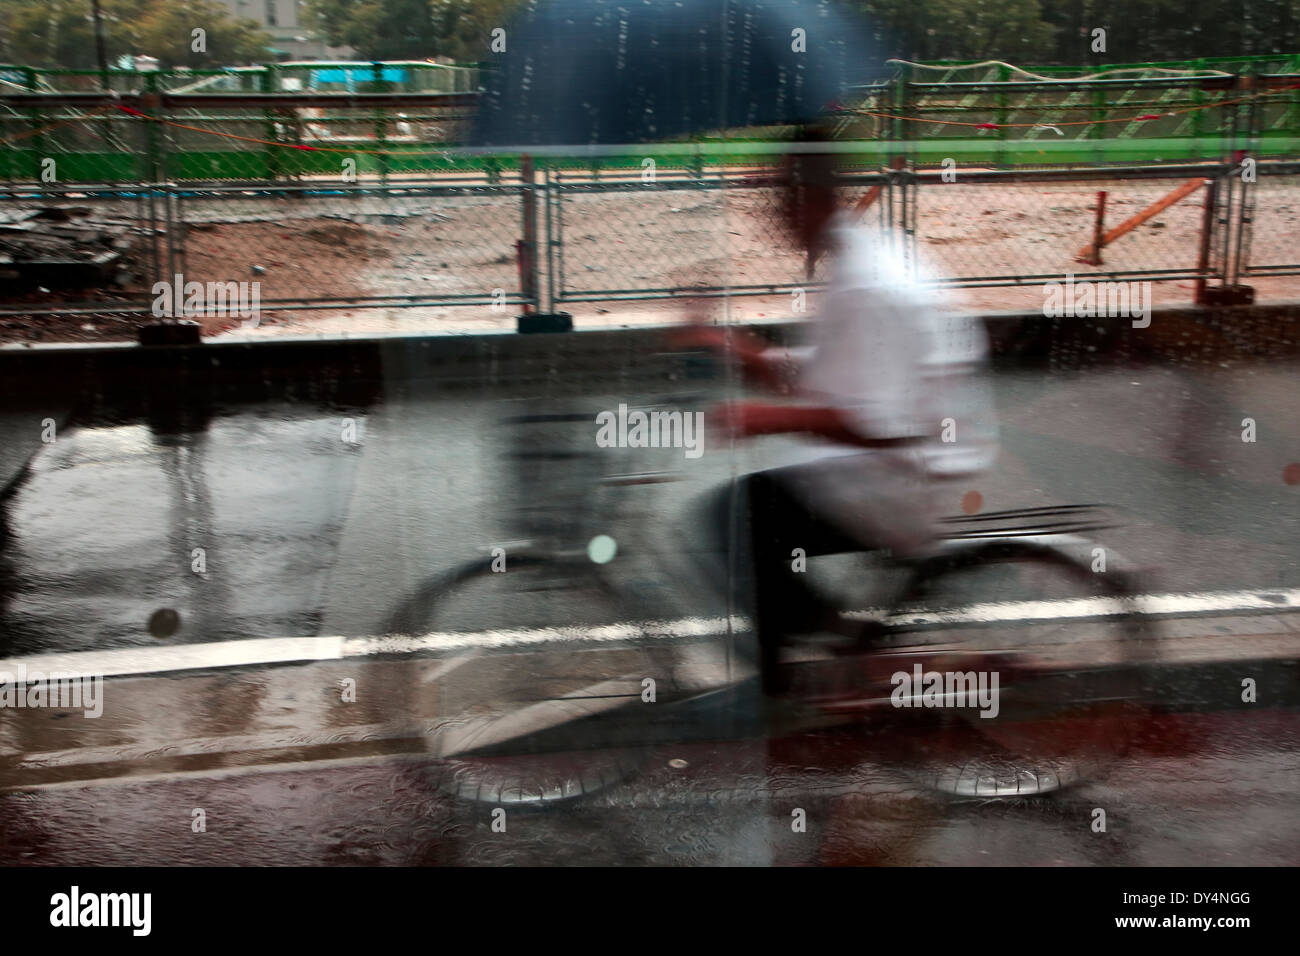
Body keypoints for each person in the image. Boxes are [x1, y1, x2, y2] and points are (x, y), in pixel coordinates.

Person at [676, 128, 998, 693]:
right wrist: (731, 347)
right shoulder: (863, 253)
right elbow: (835, 375)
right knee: (753, 517)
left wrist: (762, 418)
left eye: (780, 198)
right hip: (916, 456)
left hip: (903, 478)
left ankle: (827, 654)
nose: (771, 213)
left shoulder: (866, 283)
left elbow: (877, 422)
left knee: (732, 516)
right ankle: (808, 660)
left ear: (812, 198)